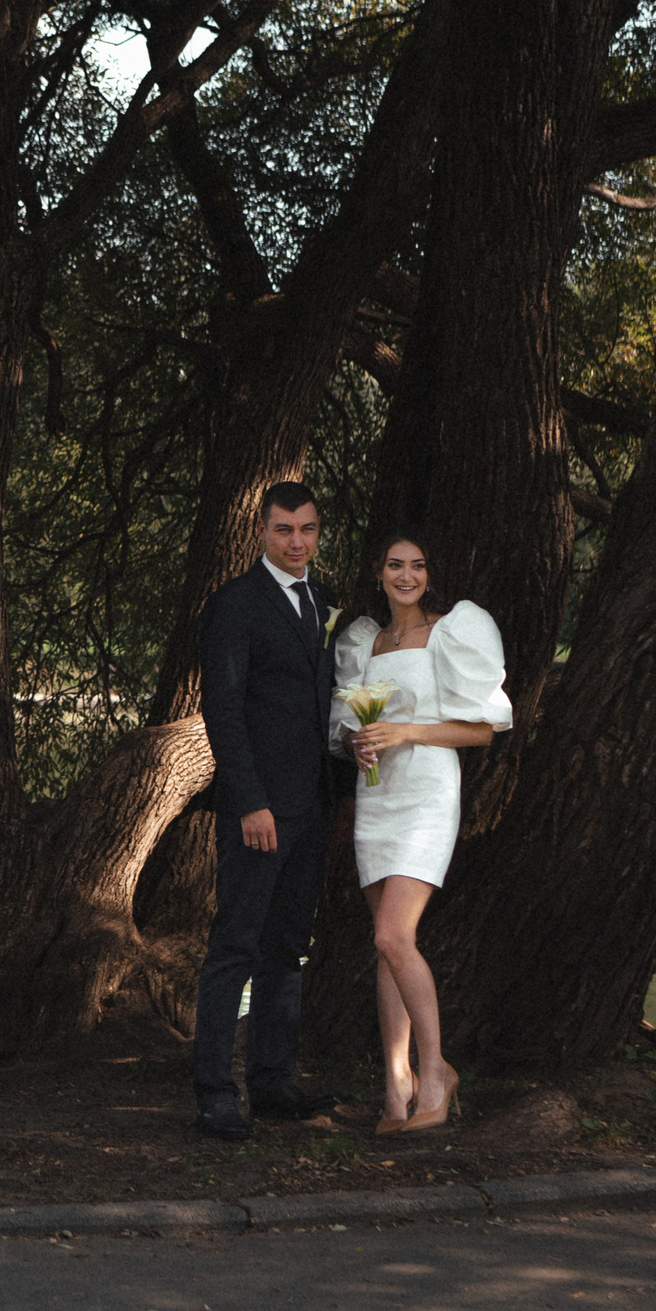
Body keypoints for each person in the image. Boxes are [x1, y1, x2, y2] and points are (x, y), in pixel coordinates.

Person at [331, 526, 511, 1134]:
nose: (406, 576)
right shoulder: (365, 642)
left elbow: (482, 731)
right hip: (378, 794)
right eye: (394, 566)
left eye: (417, 565)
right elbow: (353, 723)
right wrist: (360, 743)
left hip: (429, 791)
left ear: (429, 574)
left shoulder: (452, 632)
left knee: (391, 935)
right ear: (378, 573)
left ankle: (435, 1073)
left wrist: (408, 731)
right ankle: (394, 1088)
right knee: (385, 948)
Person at [191, 480, 347, 1140]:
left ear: (318, 532)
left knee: (288, 948)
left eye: (307, 529)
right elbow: (223, 713)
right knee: (237, 944)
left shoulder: (328, 602)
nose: (296, 541)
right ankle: (213, 1091)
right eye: (284, 529)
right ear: (261, 531)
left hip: (314, 803)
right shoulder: (236, 604)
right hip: (258, 811)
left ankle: (273, 1082)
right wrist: (250, 802)